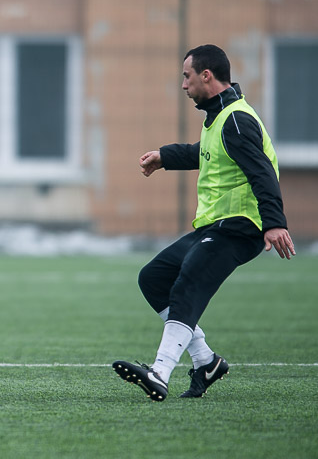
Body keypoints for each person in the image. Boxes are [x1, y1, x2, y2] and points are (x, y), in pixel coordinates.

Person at [112, 44, 296, 401]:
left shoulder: (237, 119)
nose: (184, 85)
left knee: (189, 281)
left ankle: (160, 373)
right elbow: (207, 153)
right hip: (216, 226)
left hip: (242, 226)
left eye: (187, 76)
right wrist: (165, 156)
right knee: (154, 278)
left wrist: (274, 223)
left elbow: (262, 173)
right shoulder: (220, 117)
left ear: (206, 75)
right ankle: (206, 361)